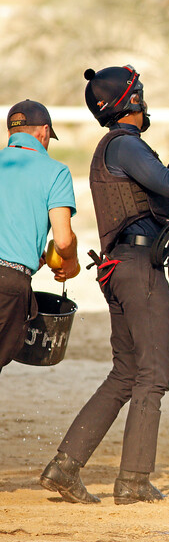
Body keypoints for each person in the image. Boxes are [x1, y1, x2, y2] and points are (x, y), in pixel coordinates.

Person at [40, 65, 169, 505]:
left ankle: (65, 466)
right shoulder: (125, 144)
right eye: (141, 93)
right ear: (129, 100)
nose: (145, 100)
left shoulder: (116, 149)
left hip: (119, 268)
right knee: (153, 375)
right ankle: (132, 481)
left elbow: (158, 190)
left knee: (125, 374)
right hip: (138, 271)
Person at [0, 100, 80, 373]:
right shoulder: (55, 172)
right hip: (9, 283)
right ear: (44, 132)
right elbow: (63, 240)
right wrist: (71, 263)